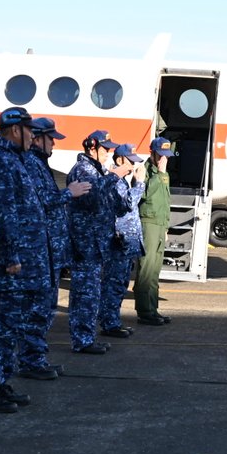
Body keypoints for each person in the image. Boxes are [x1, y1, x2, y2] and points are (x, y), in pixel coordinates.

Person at [0, 107, 48, 408]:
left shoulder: (16, 159)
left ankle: (0, 382)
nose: (33, 135)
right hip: (7, 265)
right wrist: (10, 256)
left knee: (10, 327)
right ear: (15, 130)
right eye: (29, 130)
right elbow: (2, 215)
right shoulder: (0, 161)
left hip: (20, 263)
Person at [28, 117, 90, 361]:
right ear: (37, 138)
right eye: (50, 138)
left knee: (46, 308)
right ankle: (33, 360)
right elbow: (41, 201)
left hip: (51, 251)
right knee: (39, 309)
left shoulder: (39, 164)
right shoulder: (33, 164)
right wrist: (69, 193)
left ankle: (37, 358)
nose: (54, 143)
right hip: (42, 251)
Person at [66, 130, 126, 354]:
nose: (108, 153)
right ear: (92, 148)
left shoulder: (96, 171)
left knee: (91, 293)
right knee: (85, 293)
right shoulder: (83, 170)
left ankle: (86, 337)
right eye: (105, 148)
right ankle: (82, 340)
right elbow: (92, 198)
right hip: (85, 244)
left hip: (95, 243)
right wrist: (114, 176)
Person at [100, 144, 146, 338]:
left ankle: (113, 321)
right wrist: (140, 183)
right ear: (119, 160)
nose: (133, 166)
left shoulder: (122, 182)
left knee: (120, 283)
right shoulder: (117, 183)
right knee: (114, 283)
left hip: (126, 242)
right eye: (130, 162)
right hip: (119, 241)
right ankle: (109, 323)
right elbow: (127, 204)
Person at [134, 136, 177, 325]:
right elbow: (143, 194)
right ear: (153, 153)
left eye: (166, 156)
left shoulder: (162, 174)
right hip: (148, 223)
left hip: (159, 224)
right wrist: (160, 174)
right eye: (161, 155)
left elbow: (164, 202)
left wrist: (165, 226)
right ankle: (144, 311)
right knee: (146, 268)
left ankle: (153, 309)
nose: (164, 159)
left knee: (155, 270)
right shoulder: (144, 171)